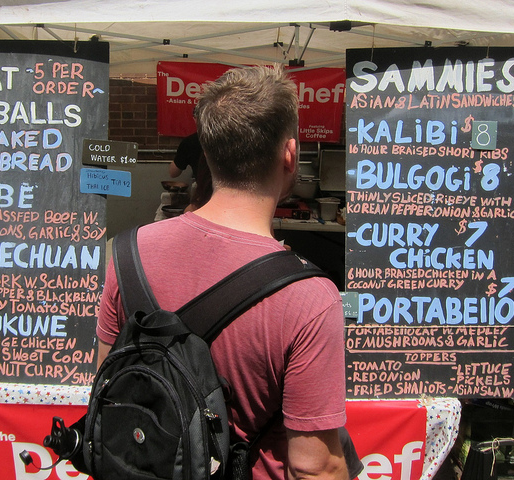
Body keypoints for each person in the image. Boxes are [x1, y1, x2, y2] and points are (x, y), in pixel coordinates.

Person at [96, 65, 348, 480]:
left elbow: (107, 383)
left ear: (208, 155)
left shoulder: (126, 254)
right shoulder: (311, 299)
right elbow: (315, 467)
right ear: (290, 155)